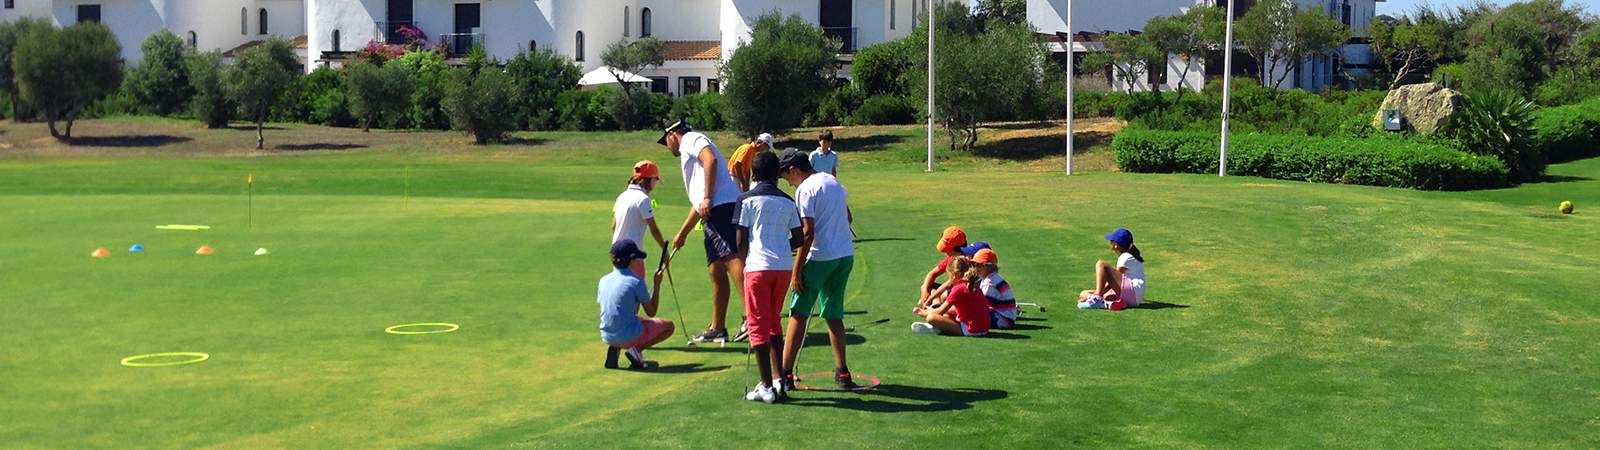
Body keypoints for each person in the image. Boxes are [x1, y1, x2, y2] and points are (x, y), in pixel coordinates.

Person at [658, 119, 747, 344]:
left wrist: (707, 197)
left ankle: (752, 319)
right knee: (715, 268)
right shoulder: (690, 152)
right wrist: (682, 233)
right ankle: (718, 326)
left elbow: (710, 159)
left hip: (721, 207)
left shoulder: (690, 139)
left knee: (731, 257)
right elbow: (698, 203)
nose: (667, 147)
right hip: (713, 209)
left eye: (665, 142)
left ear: (672, 135)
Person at [775, 148, 858, 390]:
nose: (788, 183)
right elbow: (849, 217)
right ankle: (842, 373)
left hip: (820, 258)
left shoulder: (805, 189)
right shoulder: (832, 180)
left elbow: (807, 233)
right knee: (833, 314)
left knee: (798, 313)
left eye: (786, 177)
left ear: (794, 170)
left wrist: (796, 270)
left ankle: (785, 374)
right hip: (844, 256)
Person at [734, 151, 803, 403]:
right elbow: (799, 238)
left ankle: (765, 387)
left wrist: (748, 258)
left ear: (754, 174)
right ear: (777, 175)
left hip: (757, 268)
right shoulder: (788, 201)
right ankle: (778, 379)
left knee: (757, 324)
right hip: (783, 267)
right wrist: (780, 247)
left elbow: (740, 242)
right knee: (774, 321)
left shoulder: (745, 199)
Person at [599, 240, 676, 370]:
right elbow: (651, 311)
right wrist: (657, 285)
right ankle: (636, 350)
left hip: (607, 335)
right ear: (632, 260)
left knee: (633, 319)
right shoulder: (636, 281)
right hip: (628, 336)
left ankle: (615, 347)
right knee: (669, 327)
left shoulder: (603, 280)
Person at [612, 161, 668, 278]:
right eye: (655, 179)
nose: (656, 183)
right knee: (636, 291)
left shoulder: (622, 196)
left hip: (616, 253)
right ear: (649, 180)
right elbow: (654, 230)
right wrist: (664, 250)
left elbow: (613, 226)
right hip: (632, 255)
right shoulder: (643, 199)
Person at [912, 256, 991, 336]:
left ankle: (937, 328)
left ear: (956, 275)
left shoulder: (958, 289)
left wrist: (923, 312)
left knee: (931, 317)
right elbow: (955, 310)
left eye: (950, 275)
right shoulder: (973, 285)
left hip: (972, 330)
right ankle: (936, 328)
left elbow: (940, 311)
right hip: (984, 328)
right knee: (946, 315)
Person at [1079, 228, 1147, 311]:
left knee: (1101, 264)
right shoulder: (1129, 256)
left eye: (1111, 241)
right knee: (1083, 294)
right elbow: (1115, 282)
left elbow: (1112, 282)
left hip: (1131, 292)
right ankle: (1109, 304)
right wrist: (1096, 294)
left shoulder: (1125, 257)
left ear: (1116, 245)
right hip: (1132, 297)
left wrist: (1097, 294)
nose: (1110, 243)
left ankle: (1097, 300)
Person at [917, 227, 968, 311]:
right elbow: (932, 274)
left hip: (959, 293)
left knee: (940, 296)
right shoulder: (951, 257)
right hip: (950, 290)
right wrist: (924, 289)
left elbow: (949, 283)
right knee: (928, 287)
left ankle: (936, 308)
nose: (945, 252)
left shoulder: (962, 261)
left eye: (947, 248)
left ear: (955, 248)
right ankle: (935, 306)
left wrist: (930, 298)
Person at [973, 249, 1018, 329]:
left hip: (1002, 319)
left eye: (979, 265)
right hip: (1003, 317)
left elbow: (982, 305)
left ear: (989, 266)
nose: (975, 267)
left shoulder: (990, 282)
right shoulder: (990, 278)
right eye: (974, 264)